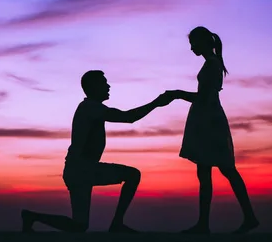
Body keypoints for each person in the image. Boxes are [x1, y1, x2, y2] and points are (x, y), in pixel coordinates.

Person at [21, 69, 172, 233]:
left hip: (78, 170)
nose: (108, 86)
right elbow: (128, 117)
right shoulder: (90, 107)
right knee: (132, 175)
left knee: (79, 226)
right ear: (93, 87)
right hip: (82, 170)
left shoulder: (91, 108)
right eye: (103, 83)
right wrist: (156, 103)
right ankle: (117, 224)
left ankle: (32, 217)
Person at [163, 26, 259, 234]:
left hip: (209, 121)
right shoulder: (212, 64)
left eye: (193, 44)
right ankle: (206, 223)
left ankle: (225, 221)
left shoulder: (212, 64)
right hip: (208, 118)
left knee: (222, 170)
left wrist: (177, 93)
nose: (191, 48)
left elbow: (204, 97)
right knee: (211, 171)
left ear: (204, 42)